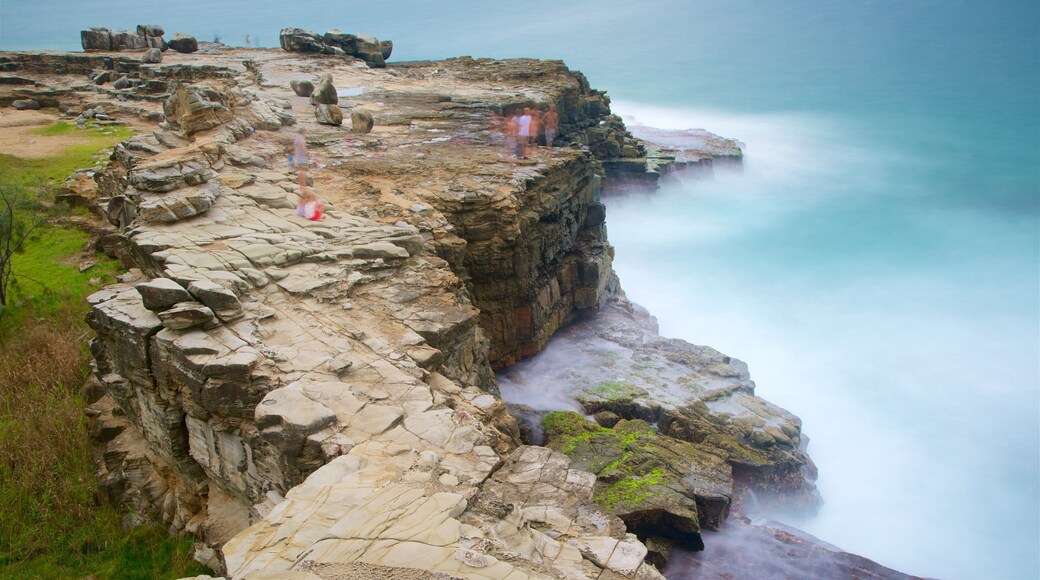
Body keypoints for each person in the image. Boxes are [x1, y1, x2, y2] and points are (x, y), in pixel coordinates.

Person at [292, 127, 310, 192]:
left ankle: (301, 185)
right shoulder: (302, 139)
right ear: (303, 132)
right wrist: (307, 154)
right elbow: (303, 148)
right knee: (303, 172)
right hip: (303, 157)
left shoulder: (296, 138)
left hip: (297, 157)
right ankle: (303, 186)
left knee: (300, 172)